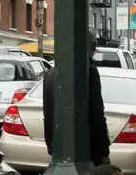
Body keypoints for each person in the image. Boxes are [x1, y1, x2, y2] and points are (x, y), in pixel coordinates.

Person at [43, 29, 110, 167]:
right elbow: (97, 113)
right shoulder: (89, 72)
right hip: (86, 151)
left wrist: (51, 145)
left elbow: (48, 114)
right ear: (94, 46)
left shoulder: (50, 74)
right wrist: (104, 151)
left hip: (59, 148)